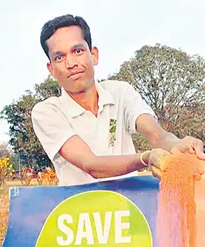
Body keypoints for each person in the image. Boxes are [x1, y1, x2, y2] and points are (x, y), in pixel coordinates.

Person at [32, 14, 205, 186]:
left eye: (78, 51)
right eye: (59, 57)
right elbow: (91, 164)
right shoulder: (47, 112)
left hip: (129, 208)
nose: (70, 63)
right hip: (78, 211)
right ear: (52, 69)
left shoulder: (120, 92)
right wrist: (146, 158)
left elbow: (156, 134)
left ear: (94, 55)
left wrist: (177, 144)